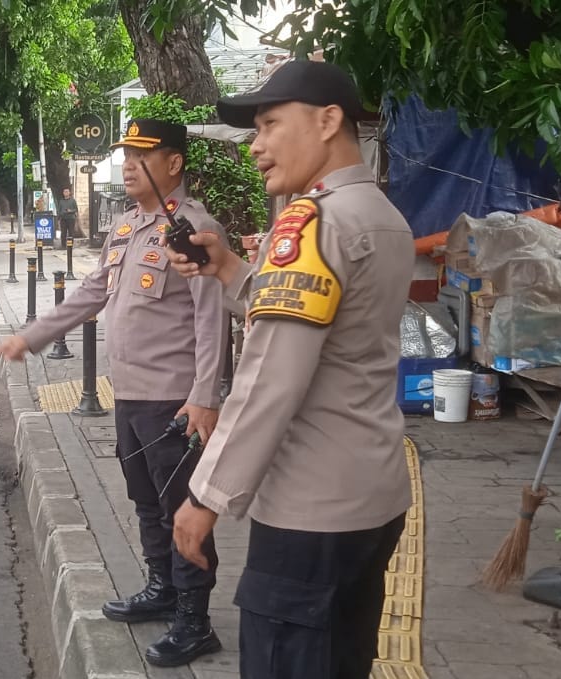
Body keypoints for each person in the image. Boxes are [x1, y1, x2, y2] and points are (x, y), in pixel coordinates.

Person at [165, 60, 415, 679]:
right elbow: (323, 322)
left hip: (308, 513)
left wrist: (206, 495)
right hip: (372, 496)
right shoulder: (382, 214)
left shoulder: (311, 223)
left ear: (328, 121)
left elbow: (270, 377)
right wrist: (229, 269)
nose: (256, 146)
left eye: (270, 124)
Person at [0, 118, 228, 668]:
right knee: (145, 499)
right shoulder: (126, 227)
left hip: (175, 400)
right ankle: (162, 588)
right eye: (127, 156)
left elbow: (212, 319)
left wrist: (205, 396)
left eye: (142, 156)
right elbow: (92, 293)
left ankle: (195, 621)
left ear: (174, 163)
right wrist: (31, 336)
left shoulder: (193, 229)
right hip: (129, 394)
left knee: (182, 507)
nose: (129, 165)